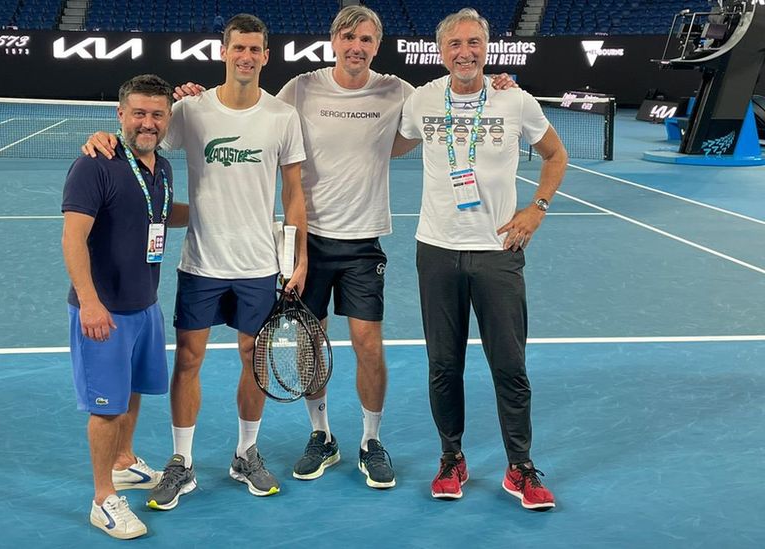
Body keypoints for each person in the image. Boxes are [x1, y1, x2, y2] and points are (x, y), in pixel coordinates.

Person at [121, 6, 518, 491]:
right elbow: (180, 128)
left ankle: (369, 441)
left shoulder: (397, 92)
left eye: (367, 39)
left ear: (377, 45)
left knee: (367, 346)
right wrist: (115, 133)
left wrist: (497, 85)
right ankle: (320, 435)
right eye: (349, 36)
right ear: (334, 41)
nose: (357, 45)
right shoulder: (298, 91)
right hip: (292, 244)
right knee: (308, 347)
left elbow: (448, 100)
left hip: (360, 240)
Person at [84, 13, 308, 510]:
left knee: (254, 359)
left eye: (255, 49)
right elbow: (140, 141)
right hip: (201, 262)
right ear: (223, 53)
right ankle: (181, 463)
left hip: (257, 264)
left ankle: (245, 452)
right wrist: (103, 136)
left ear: (265, 56)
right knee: (188, 360)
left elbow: (293, 190)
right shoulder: (190, 111)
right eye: (237, 48)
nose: (246, 57)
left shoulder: (281, 117)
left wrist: (298, 256)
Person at [398, 8, 567, 510]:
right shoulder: (422, 100)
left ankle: (521, 467)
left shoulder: (515, 99)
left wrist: (536, 209)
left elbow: (556, 155)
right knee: (443, 366)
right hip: (437, 250)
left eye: (474, 42)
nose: (465, 52)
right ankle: (452, 458)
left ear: (487, 47)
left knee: (510, 366)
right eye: (455, 44)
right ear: (441, 50)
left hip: (499, 252)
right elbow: (384, 145)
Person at [61, 73, 188, 539]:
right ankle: (102, 499)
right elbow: (73, 238)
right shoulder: (95, 165)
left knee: (133, 392)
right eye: (139, 113)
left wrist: (221, 211)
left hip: (144, 305)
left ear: (168, 119)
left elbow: (163, 213)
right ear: (120, 115)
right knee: (107, 407)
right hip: (105, 311)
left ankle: (122, 462)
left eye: (157, 114)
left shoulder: (164, 168)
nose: (147, 122)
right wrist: (91, 304)